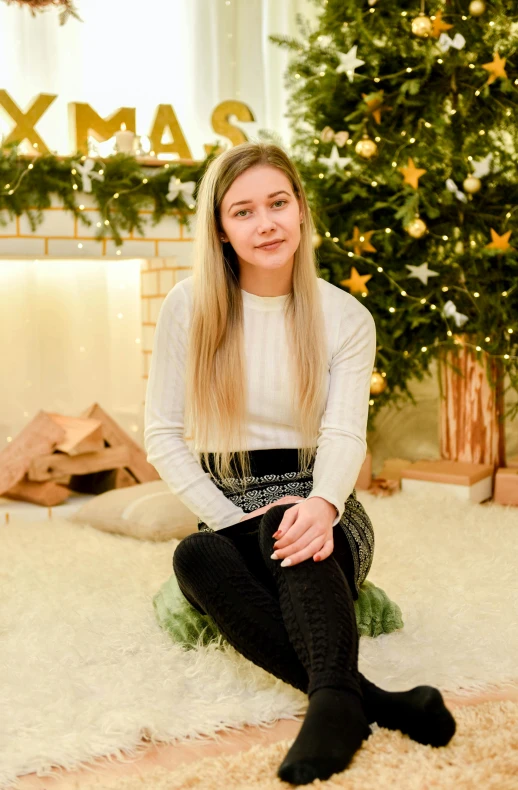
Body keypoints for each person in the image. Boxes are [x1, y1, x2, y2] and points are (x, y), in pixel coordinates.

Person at [144, 141, 456, 785]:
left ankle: (333, 705)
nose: (266, 224)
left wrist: (322, 504)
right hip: (231, 507)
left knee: (286, 523)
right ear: (221, 230)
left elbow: (345, 435)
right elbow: (162, 436)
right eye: (244, 211)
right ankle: (368, 701)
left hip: (323, 502)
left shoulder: (345, 315)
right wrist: (227, 516)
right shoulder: (187, 307)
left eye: (279, 203)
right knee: (192, 557)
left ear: (302, 212)